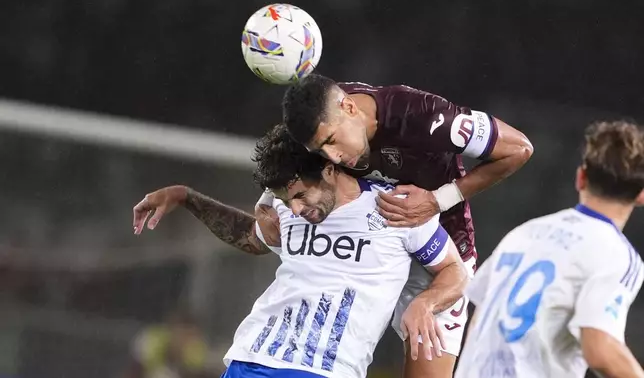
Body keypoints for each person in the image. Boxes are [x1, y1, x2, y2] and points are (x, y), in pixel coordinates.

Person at [133, 124, 469, 378]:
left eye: (299, 196)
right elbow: (251, 237)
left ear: (328, 169)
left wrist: (425, 304)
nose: (293, 210)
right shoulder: (291, 214)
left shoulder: (395, 208)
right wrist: (186, 197)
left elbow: (455, 271)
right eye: (283, 201)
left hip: (326, 368)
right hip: (252, 358)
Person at [281, 74, 534, 376]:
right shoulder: (315, 124)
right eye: (321, 150)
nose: (333, 156)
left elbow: (519, 148)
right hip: (365, 249)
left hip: (441, 257)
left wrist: (438, 200)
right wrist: (267, 204)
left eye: (332, 141)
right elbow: (283, 170)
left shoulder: (421, 115)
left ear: (349, 107)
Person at [454, 120, 644, 378]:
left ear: (581, 177)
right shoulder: (616, 254)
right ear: (641, 194)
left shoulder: (526, 233)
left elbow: (480, 316)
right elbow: (600, 348)